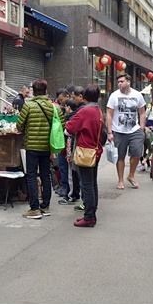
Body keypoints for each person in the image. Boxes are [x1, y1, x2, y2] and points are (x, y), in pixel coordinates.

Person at [16, 79, 63, 219]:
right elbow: (62, 125)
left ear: (33, 91)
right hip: (47, 147)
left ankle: (34, 208)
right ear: (46, 90)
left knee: (31, 176)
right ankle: (46, 206)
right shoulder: (54, 107)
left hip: (31, 146)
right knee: (45, 175)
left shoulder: (28, 106)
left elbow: (19, 125)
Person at [65, 84, 105, 227]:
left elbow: (70, 127)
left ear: (85, 97)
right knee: (92, 183)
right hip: (95, 150)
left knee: (86, 184)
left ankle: (89, 217)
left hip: (85, 151)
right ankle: (91, 212)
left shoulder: (85, 111)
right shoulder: (98, 111)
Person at [106, 74, 147, 190]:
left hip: (134, 129)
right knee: (120, 156)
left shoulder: (137, 95)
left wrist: (142, 127)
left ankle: (131, 175)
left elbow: (142, 112)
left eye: (121, 81)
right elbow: (109, 114)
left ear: (128, 82)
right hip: (118, 130)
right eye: (118, 82)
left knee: (137, 152)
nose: (119, 84)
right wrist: (109, 132)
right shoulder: (114, 96)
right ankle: (120, 180)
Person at [53, 88, 71, 198]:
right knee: (62, 166)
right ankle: (64, 186)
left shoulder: (70, 112)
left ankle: (66, 188)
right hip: (62, 142)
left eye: (62, 99)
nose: (61, 102)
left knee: (64, 166)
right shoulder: (62, 109)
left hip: (65, 144)